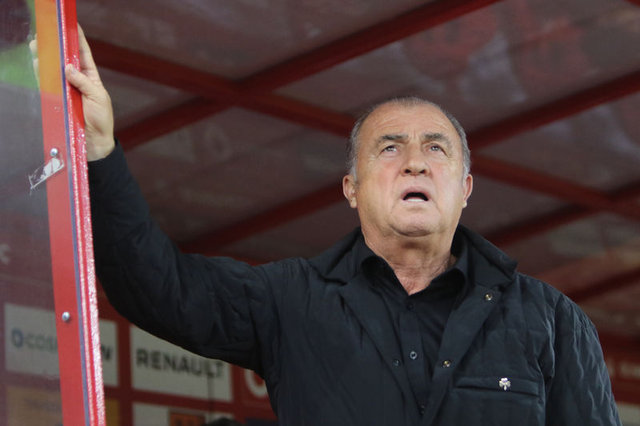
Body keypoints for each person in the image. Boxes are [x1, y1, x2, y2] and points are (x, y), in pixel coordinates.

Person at [66, 27, 621, 426]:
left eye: (436, 148)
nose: (415, 162)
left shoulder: (551, 320)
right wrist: (99, 152)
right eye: (390, 148)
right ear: (351, 188)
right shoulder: (290, 299)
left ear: (465, 188)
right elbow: (156, 286)